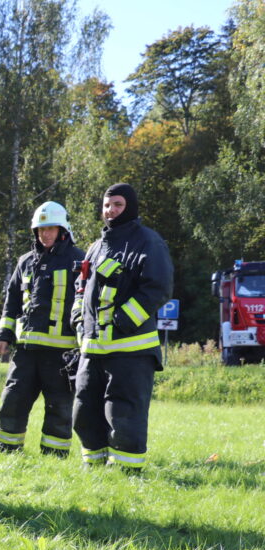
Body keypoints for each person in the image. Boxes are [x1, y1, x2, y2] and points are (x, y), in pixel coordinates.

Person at [71, 183, 173, 471]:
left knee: (123, 415)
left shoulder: (148, 242)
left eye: (117, 204)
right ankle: (95, 471)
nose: (110, 210)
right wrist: (78, 319)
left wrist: (122, 321)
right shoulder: (96, 246)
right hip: (92, 350)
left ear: (130, 207)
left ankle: (128, 475)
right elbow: (81, 289)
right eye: (106, 205)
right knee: (83, 413)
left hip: (131, 351)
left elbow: (158, 288)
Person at [0, 201, 86, 456]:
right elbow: (11, 303)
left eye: (50, 229)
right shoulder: (25, 262)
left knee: (60, 408)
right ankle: (5, 450)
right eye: (40, 229)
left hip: (62, 353)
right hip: (26, 351)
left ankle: (54, 457)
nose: (44, 234)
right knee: (12, 401)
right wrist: (4, 336)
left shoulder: (78, 260)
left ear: (62, 229)